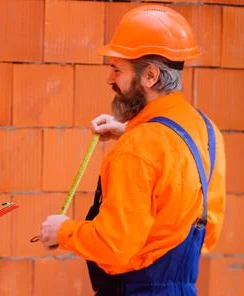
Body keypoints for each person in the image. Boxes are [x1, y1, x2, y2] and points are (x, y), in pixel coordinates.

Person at [39, 5, 226, 295]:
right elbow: (208, 233)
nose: (109, 79)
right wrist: (129, 130)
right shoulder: (206, 129)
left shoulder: (137, 149)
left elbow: (114, 246)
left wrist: (63, 230)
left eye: (117, 68)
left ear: (150, 76)